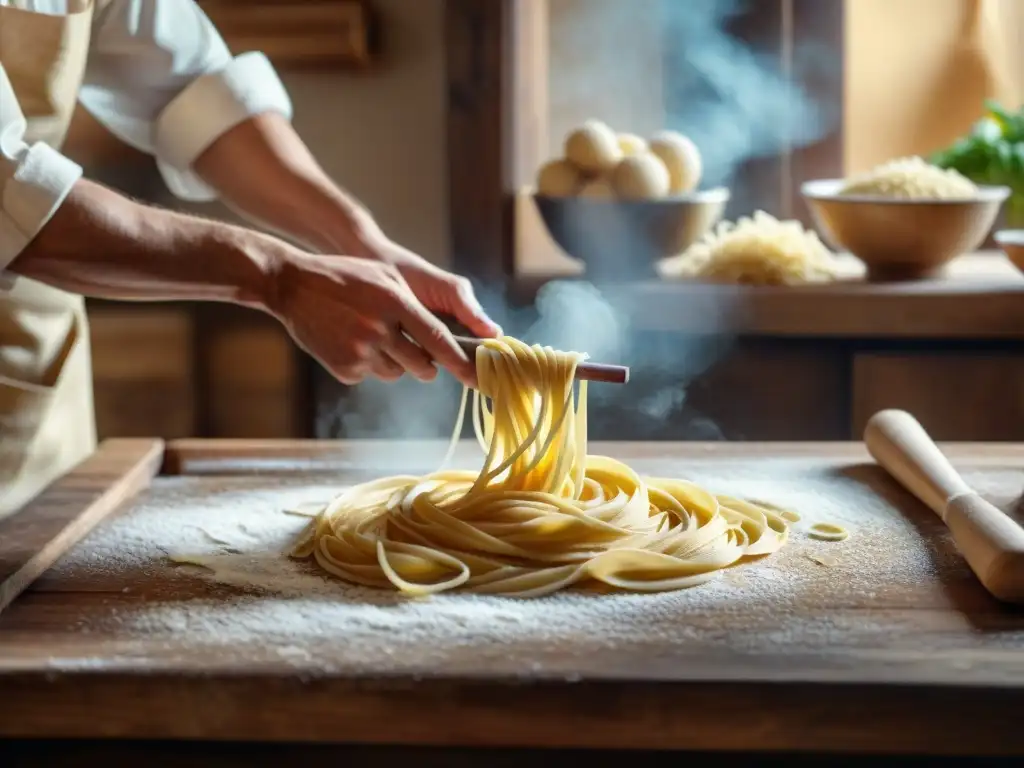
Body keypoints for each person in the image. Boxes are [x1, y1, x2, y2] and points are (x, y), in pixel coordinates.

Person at [0, 0, 501, 517]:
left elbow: (195, 90)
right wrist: (278, 277)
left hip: (36, 367)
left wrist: (364, 246)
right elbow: (9, 195)